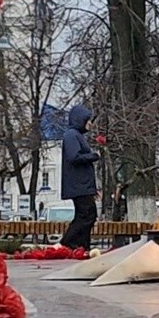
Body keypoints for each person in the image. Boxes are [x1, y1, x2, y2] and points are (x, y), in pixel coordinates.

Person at [60, 105, 100, 250]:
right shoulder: (72, 135)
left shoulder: (76, 135)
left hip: (82, 185)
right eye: (88, 120)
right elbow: (74, 157)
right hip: (79, 185)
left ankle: (82, 245)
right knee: (86, 215)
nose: (91, 124)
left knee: (88, 215)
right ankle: (68, 243)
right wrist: (93, 156)